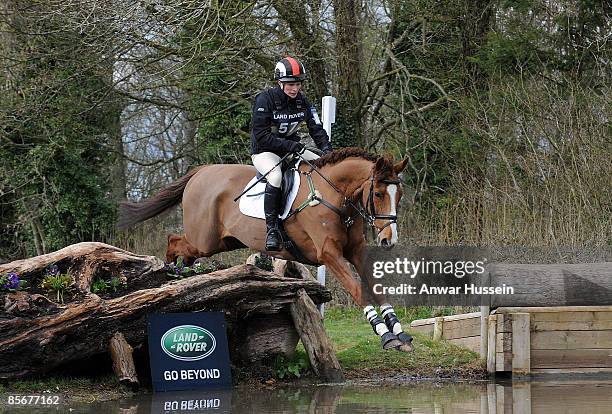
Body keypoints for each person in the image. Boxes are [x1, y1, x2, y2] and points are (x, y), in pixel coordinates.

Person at [250, 56, 333, 251]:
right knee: (276, 176)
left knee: (325, 166)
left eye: (297, 84)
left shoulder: (303, 102)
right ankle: (272, 230)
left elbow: (317, 130)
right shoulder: (265, 100)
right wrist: (291, 146)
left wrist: (328, 152)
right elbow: (261, 136)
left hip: (292, 149)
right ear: (279, 82)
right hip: (265, 152)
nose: (294, 89)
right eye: (289, 84)